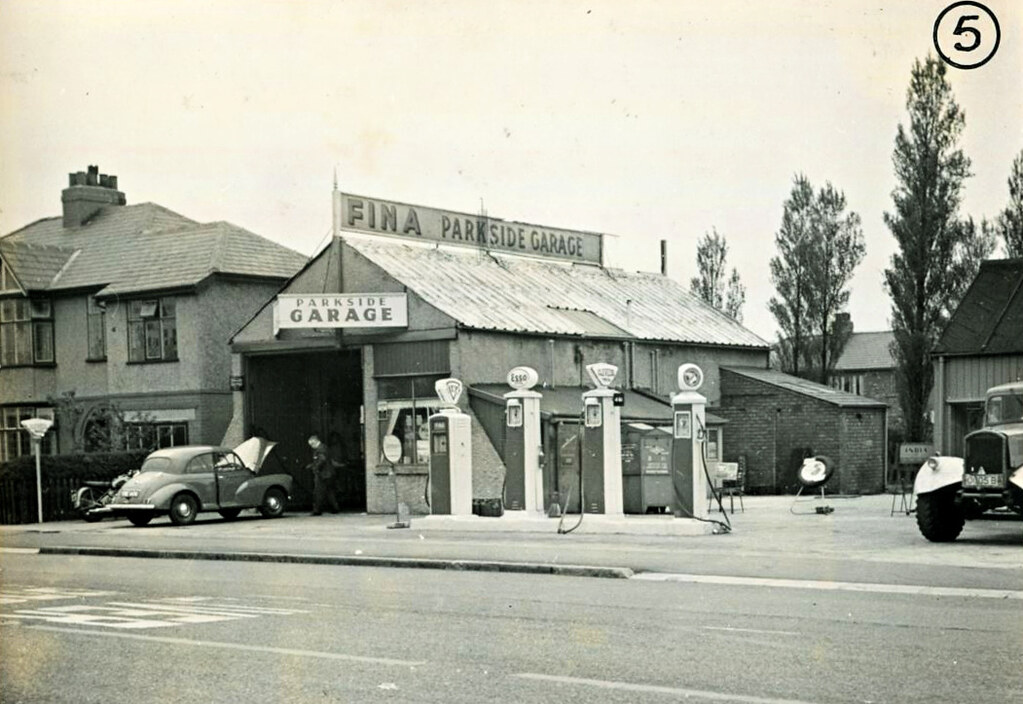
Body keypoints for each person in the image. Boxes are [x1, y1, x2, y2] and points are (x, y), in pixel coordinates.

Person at [306, 433, 339, 515]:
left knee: (318, 492)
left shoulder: (320, 449)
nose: (311, 447)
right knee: (330, 492)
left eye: (311, 444)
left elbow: (322, 460)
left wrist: (315, 468)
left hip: (322, 475)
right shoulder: (324, 448)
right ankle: (335, 508)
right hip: (330, 474)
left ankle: (317, 510)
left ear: (314, 442)